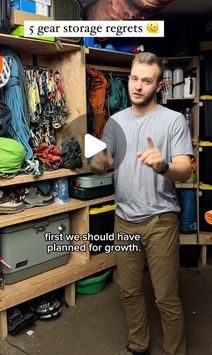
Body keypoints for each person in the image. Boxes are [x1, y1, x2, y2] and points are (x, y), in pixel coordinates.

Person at [90, 52, 193, 355]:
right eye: (134, 78)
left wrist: (163, 165)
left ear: (159, 85)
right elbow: (104, 163)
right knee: (129, 290)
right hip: (124, 220)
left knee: (165, 296)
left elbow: (185, 169)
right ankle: (138, 344)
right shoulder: (115, 122)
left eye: (146, 81)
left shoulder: (172, 121)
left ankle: (175, 351)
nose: (137, 86)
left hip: (160, 220)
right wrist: (97, 160)